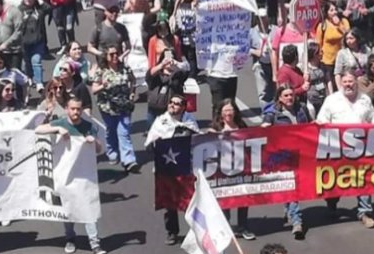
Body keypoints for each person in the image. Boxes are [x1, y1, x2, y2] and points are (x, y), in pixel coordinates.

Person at [34, 97, 108, 254]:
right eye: (73, 109)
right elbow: (38, 130)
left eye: (79, 109)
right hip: (66, 175)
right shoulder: (61, 123)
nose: (76, 112)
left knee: (88, 208)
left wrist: (94, 141)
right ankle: (69, 238)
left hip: (84, 176)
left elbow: (100, 150)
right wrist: (56, 129)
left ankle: (95, 243)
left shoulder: (88, 126)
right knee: (68, 209)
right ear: (67, 109)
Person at [316, 72, 374, 228]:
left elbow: (373, 115)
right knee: (334, 182)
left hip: (360, 149)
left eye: (350, 81)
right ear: (341, 83)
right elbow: (322, 120)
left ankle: (365, 212)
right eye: (345, 82)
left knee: (363, 179)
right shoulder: (331, 100)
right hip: (337, 150)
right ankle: (332, 206)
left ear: (356, 83)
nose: (348, 84)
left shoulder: (364, 99)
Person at [145, 94, 200, 245]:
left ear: (183, 107)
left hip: (186, 168)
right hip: (166, 170)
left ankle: (195, 231)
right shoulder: (160, 121)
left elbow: (197, 140)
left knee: (190, 201)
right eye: (171, 103)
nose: (173, 105)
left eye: (177, 104)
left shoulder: (190, 121)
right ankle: (172, 232)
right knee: (170, 204)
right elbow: (149, 144)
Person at [261, 86, 311, 239]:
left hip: (301, 153)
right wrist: (265, 128)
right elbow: (265, 128)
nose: (290, 98)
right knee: (292, 185)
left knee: (294, 186)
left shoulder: (302, 108)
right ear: (280, 98)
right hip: (282, 156)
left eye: (292, 95)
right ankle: (297, 221)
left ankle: (288, 208)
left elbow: (310, 125)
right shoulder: (272, 113)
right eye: (286, 95)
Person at [206, 99, 257, 240]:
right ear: (221, 113)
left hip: (241, 169)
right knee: (225, 200)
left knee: (244, 199)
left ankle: (243, 227)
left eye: (231, 110)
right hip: (222, 171)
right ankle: (225, 226)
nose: (228, 113)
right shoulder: (215, 128)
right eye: (225, 110)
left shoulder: (241, 126)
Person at [93, 47, 139, 173]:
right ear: (106, 57)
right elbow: (94, 89)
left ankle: (129, 160)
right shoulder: (102, 71)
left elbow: (133, 80)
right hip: (107, 107)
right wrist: (103, 86)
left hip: (124, 106)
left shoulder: (125, 69)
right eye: (111, 54)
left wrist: (132, 94)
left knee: (124, 132)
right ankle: (112, 152)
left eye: (116, 53)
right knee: (111, 130)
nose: (114, 56)